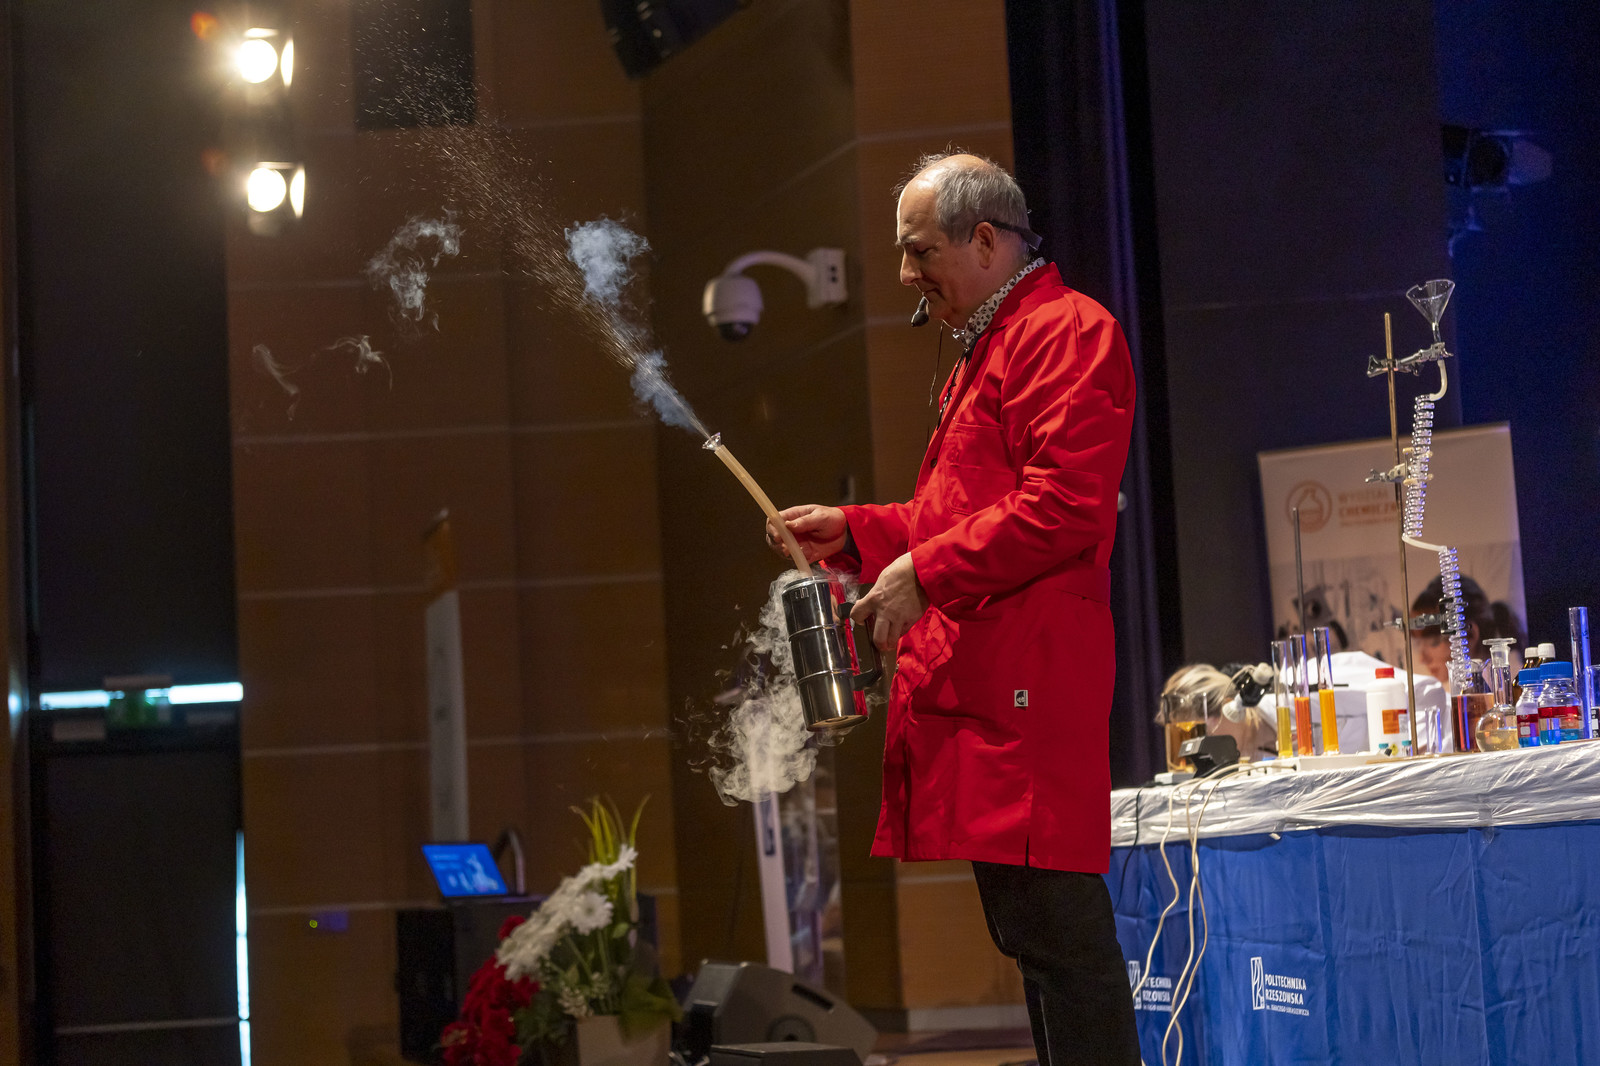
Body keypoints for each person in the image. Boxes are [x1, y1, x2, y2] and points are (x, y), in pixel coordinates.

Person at [769, 152, 1139, 1066]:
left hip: (1026, 681)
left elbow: (1063, 508)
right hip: (992, 681)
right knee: (1037, 939)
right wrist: (855, 531)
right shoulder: (995, 344)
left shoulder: (1065, 332)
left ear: (984, 241)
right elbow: (952, 516)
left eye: (918, 250)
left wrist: (925, 574)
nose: (905, 274)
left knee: (1061, 943)